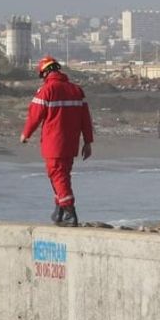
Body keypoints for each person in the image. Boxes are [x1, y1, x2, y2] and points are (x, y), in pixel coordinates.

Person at [20, 56, 93, 227]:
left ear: (44, 73)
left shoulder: (46, 90)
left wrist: (26, 134)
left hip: (53, 143)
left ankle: (69, 212)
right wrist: (88, 141)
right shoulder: (76, 90)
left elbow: (34, 115)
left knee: (57, 176)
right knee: (62, 176)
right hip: (71, 143)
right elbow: (85, 118)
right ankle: (59, 211)